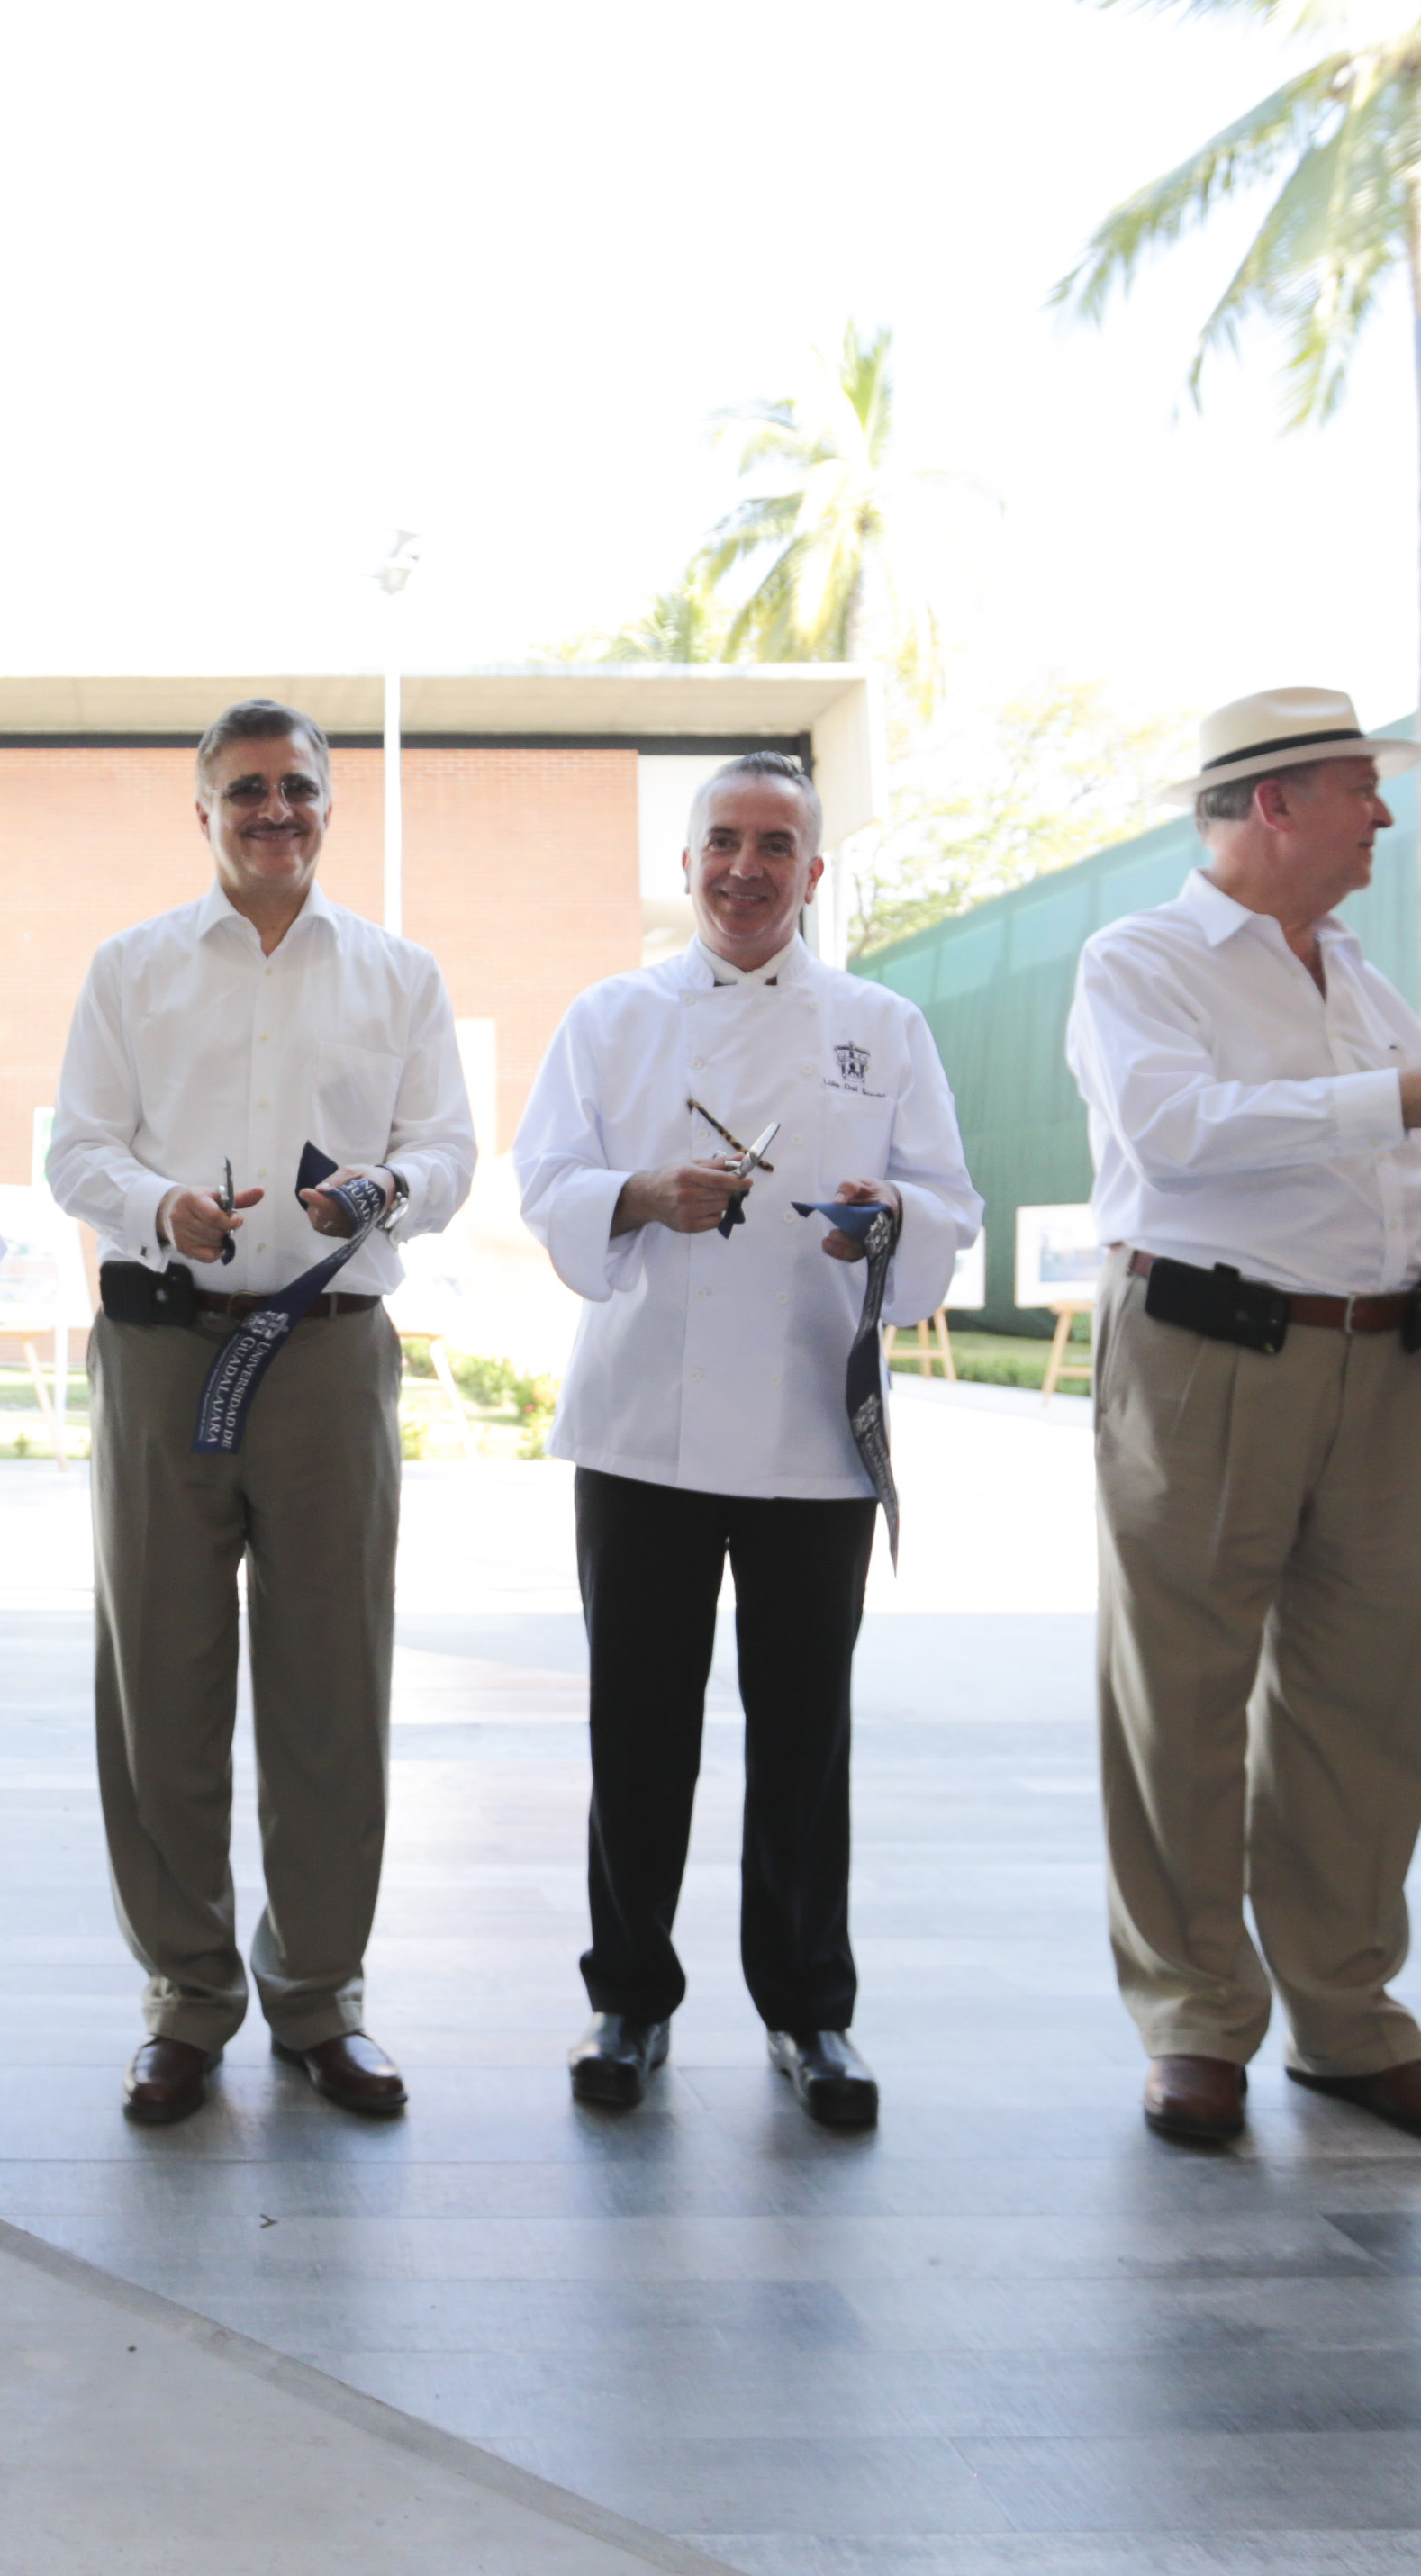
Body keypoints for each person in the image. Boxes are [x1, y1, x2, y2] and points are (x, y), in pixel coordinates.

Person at [1063, 687, 1421, 2149]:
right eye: (1360, 790)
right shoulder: (1138, 959)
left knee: (1365, 1705)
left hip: (1378, 1361)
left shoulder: (1356, 974)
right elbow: (1179, 1133)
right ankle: (1194, 2017)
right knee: (1184, 1699)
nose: (1382, 819)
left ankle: (1346, 2017)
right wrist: (1405, 1091)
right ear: (1272, 803)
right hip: (1209, 1351)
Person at [511, 751, 979, 2125]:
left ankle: (808, 2010)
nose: (745, 867)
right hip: (641, 1422)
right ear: (684, 862)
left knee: (802, 1729)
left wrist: (882, 1219)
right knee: (636, 1725)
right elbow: (543, 1186)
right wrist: (640, 1193)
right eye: (723, 839)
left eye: (776, 844)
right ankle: (627, 1997)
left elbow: (946, 1203)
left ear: (813, 872)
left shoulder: (881, 1024)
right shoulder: (610, 1016)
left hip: (808, 1425)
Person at [49, 698, 476, 2125]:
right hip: (167, 1350)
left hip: (329, 1351)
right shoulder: (129, 967)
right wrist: (154, 1205)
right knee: (156, 1679)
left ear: (328, 805)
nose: (272, 812)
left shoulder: (398, 974)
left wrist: (382, 1190)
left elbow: (447, 1145)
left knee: (329, 1683)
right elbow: (75, 1147)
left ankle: (317, 1995)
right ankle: (184, 1994)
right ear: (203, 811)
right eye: (245, 792)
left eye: (295, 789)